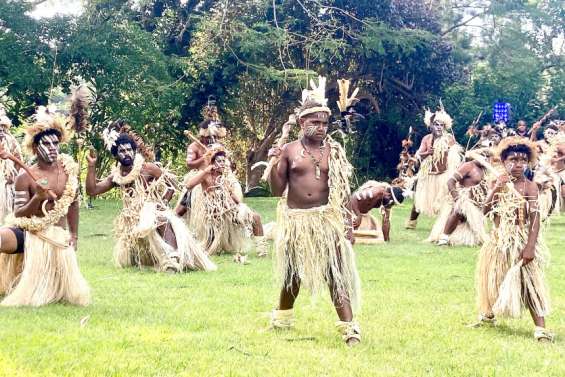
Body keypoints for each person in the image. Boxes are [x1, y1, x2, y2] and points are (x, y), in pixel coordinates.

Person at [267, 76, 361, 346]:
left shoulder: (334, 151)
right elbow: (276, 189)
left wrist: (348, 225)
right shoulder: (288, 151)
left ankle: (350, 327)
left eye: (324, 123)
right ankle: (283, 317)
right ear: (302, 123)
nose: (321, 128)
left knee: (335, 271)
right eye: (315, 123)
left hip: (325, 219)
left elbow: (341, 191)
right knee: (292, 273)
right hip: (297, 221)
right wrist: (273, 164)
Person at [86, 128, 216, 273]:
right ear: (116, 155)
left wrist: (162, 203)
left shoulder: (147, 168)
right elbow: (92, 190)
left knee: (159, 218)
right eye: (122, 151)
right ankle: (155, 256)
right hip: (132, 217)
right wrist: (91, 166)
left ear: (134, 151)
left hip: (152, 208)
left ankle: (173, 258)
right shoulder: (116, 177)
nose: (126, 153)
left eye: (129, 150)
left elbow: (171, 184)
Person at [0, 106, 90, 306]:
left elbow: (73, 204)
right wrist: (38, 198)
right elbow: (20, 213)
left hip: (55, 236)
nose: (52, 149)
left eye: (56, 144)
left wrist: (74, 235)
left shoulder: (68, 171)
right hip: (31, 232)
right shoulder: (25, 177)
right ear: (35, 148)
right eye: (47, 144)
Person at [473, 137, 553, 342]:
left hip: (519, 239)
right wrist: (496, 188)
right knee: (493, 278)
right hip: (498, 240)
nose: (518, 164)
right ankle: (488, 314)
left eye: (523, 160)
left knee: (529, 283)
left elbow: (535, 220)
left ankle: (541, 328)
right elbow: (484, 210)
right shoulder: (497, 183)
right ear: (503, 161)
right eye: (513, 159)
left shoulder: (530, 187)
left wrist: (530, 247)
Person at [180, 144, 267, 263]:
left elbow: (237, 200)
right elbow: (189, 185)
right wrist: (206, 170)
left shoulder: (226, 177)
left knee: (255, 217)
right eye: (219, 161)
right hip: (213, 213)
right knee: (210, 249)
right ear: (213, 163)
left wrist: (230, 192)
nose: (222, 163)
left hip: (230, 210)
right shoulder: (206, 175)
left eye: (224, 161)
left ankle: (262, 250)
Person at [405, 106, 462, 229]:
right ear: (431, 126)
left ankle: (447, 225)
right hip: (428, 174)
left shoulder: (449, 139)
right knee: (418, 201)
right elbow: (418, 155)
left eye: (441, 125)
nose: (439, 127)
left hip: (444, 174)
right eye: (436, 124)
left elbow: (455, 154)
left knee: (445, 200)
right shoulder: (427, 139)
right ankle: (411, 222)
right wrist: (428, 153)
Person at [0, 107, 22, 222]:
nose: (1, 130)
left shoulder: (11, 141)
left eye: (3, 127)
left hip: (6, 184)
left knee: (8, 216)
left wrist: (13, 176)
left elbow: (18, 160)